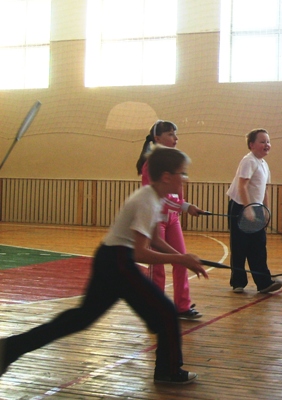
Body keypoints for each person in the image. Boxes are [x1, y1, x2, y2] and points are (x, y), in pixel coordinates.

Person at [0, 147, 209, 384]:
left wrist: (184, 258)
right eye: (182, 173)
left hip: (109, 259)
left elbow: (156, 240)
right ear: (167, 177)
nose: (185, 178)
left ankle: (10, 348)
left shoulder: (154, 198)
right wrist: (181, 259)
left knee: (81, 318)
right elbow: (140, 253)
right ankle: (168, 372)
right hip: (117, 261)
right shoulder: (147, 201)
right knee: (166, 313)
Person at [136, 120, 203, 319]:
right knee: (157, 266)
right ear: (157, 138)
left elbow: (177, 192)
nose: (175, 138)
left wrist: (182, 205)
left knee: (181, 259)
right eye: (170, 134)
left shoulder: (174, 162)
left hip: (172, 219)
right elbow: (157, 196)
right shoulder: (150, 165)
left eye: (175, 134)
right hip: (155, 220)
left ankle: (182, 306)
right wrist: (185, 206)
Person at [227, 128, 282, 294]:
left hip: (255, 208)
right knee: (240, 246)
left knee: (258, 246)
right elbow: (242, 185)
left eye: (268, 141)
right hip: (240, 206)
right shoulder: (248, 161)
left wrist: (265, 210)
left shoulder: (263, 164)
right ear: (251, 145)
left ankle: (264, 283)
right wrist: (247, 208)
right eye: (262, 141)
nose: (267, 144)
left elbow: (264, 189)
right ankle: (238, 282)